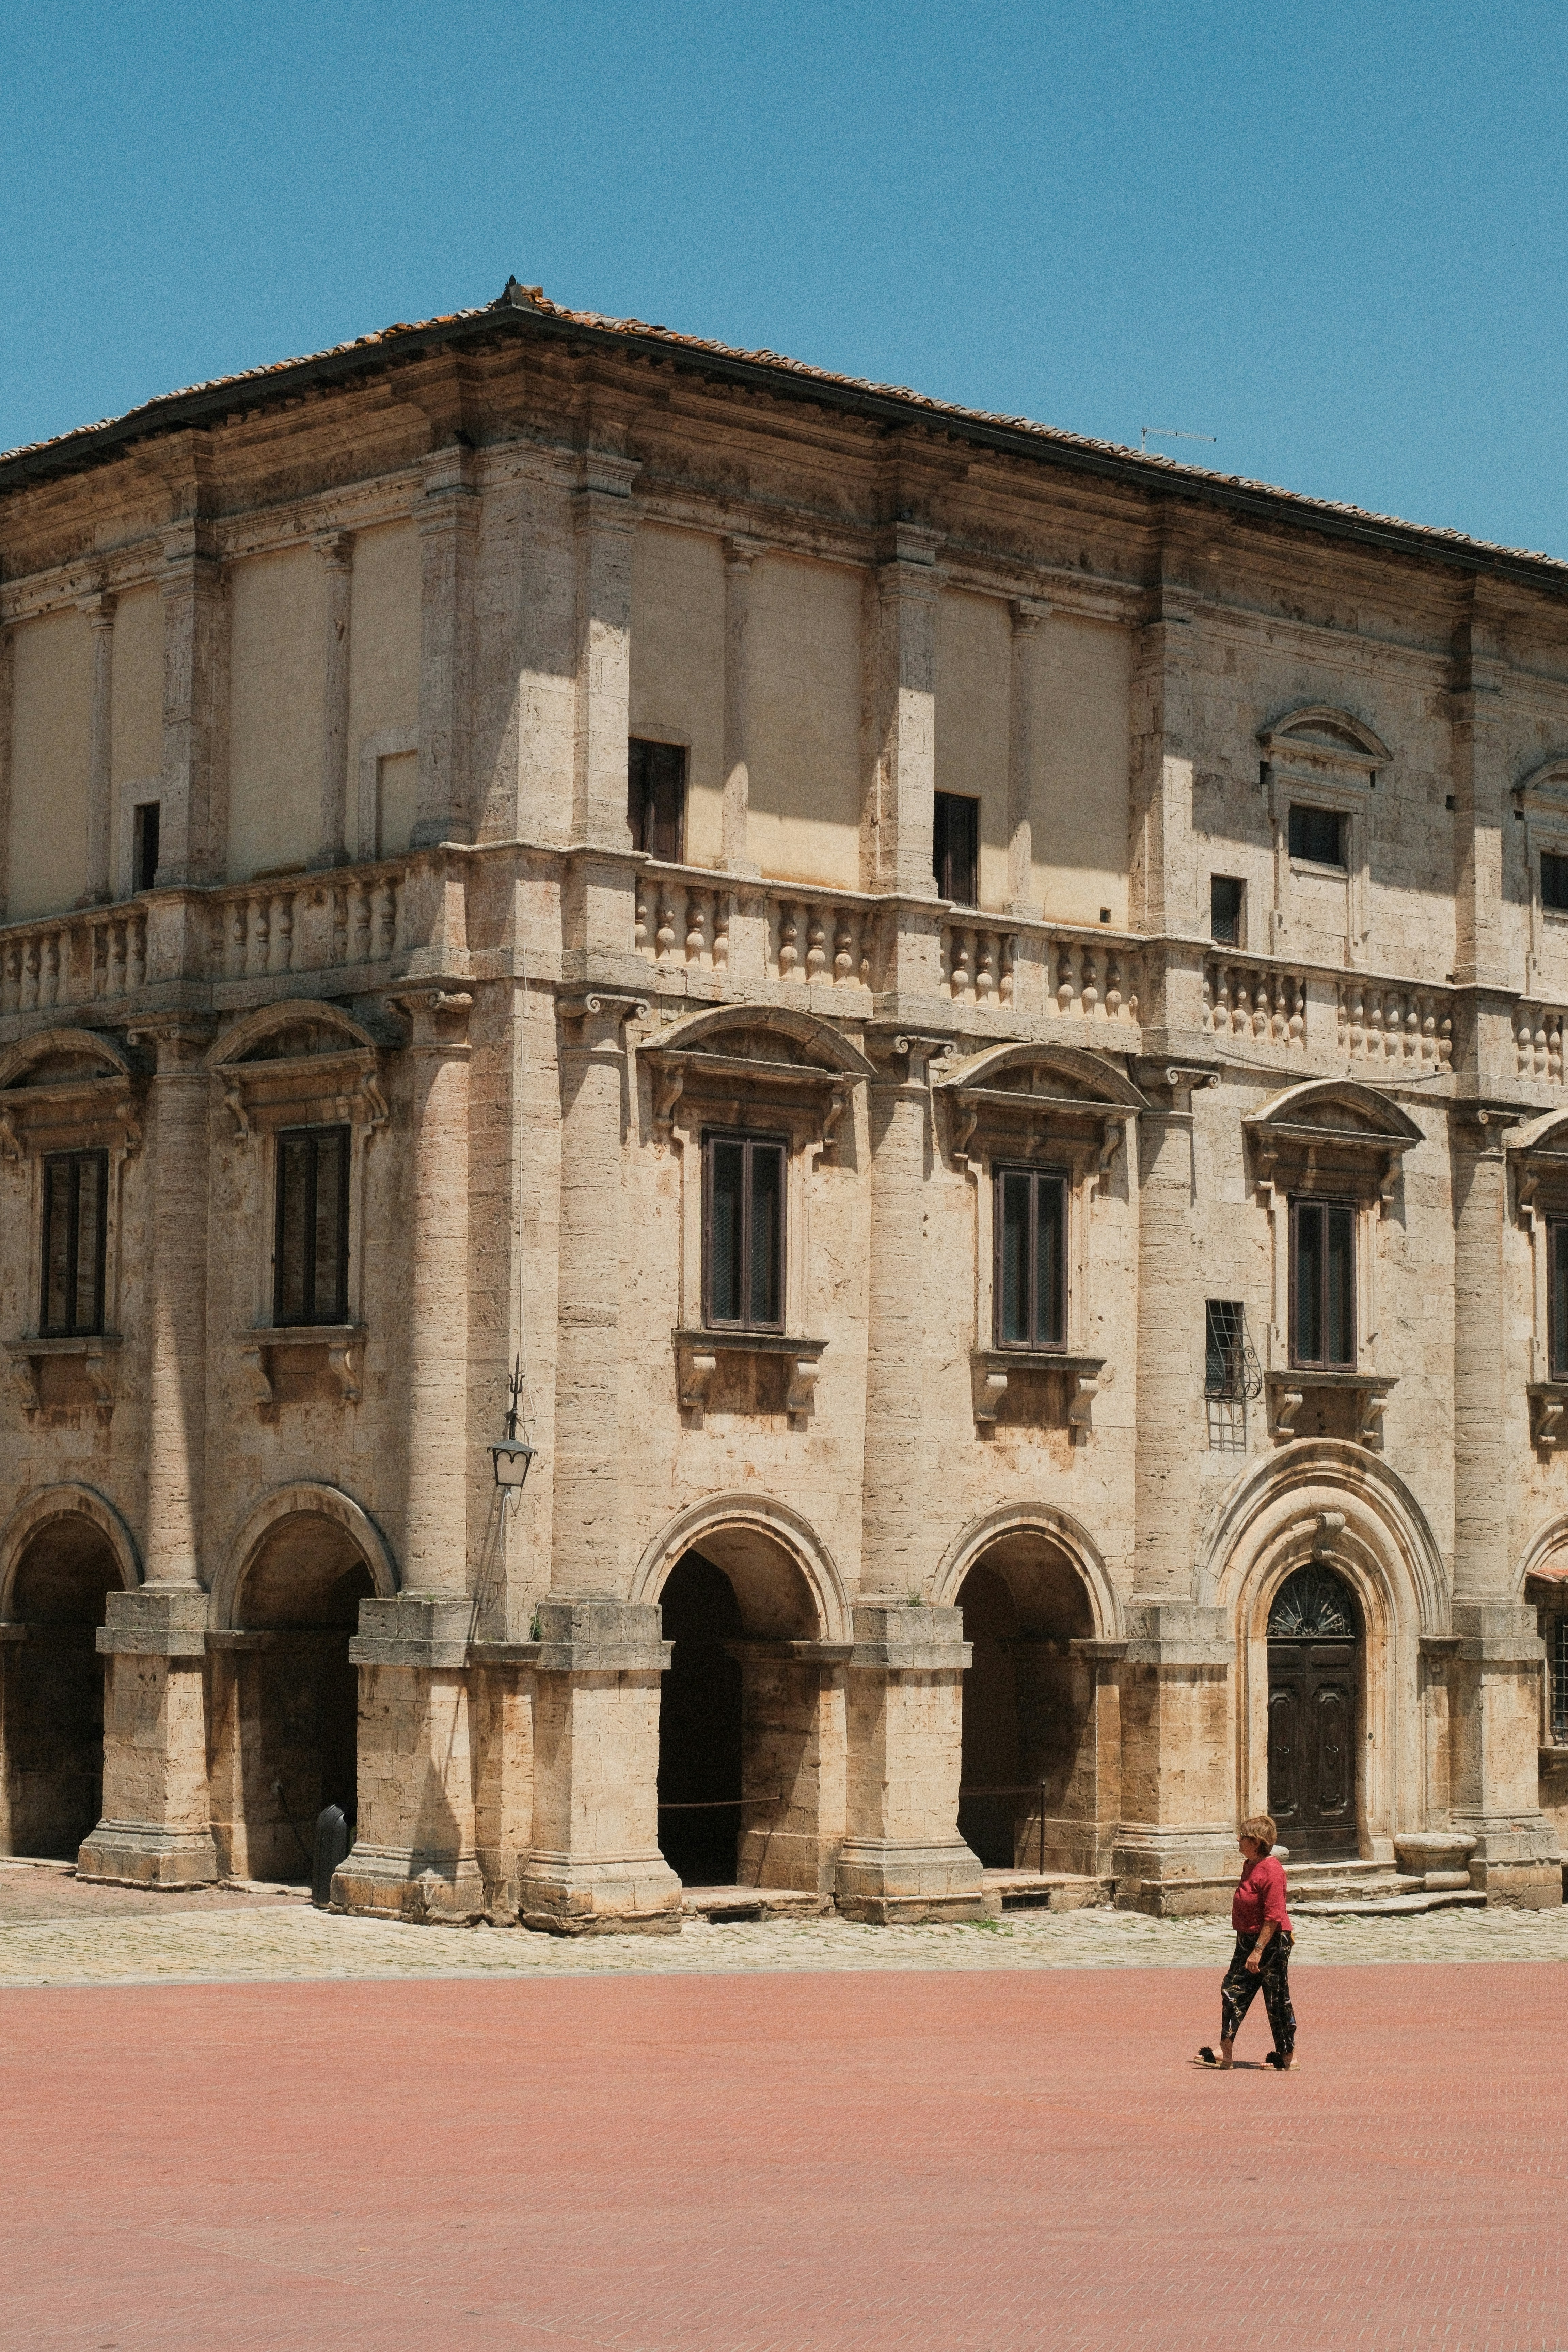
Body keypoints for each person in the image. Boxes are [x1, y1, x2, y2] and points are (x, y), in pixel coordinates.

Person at [1198, 1814, 1296, 2071]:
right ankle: (1224, 2051)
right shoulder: (1250, 1865)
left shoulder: (1272, 1869)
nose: (1238, 1839)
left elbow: (1274, 1915)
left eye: (1243, 1836)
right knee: (1232, 1989)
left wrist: (1258, 1951)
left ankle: (1287, 2056)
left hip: (1270, 1941)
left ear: (1256, 1842)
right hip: (1247, 1939)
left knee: (1275, 1998)